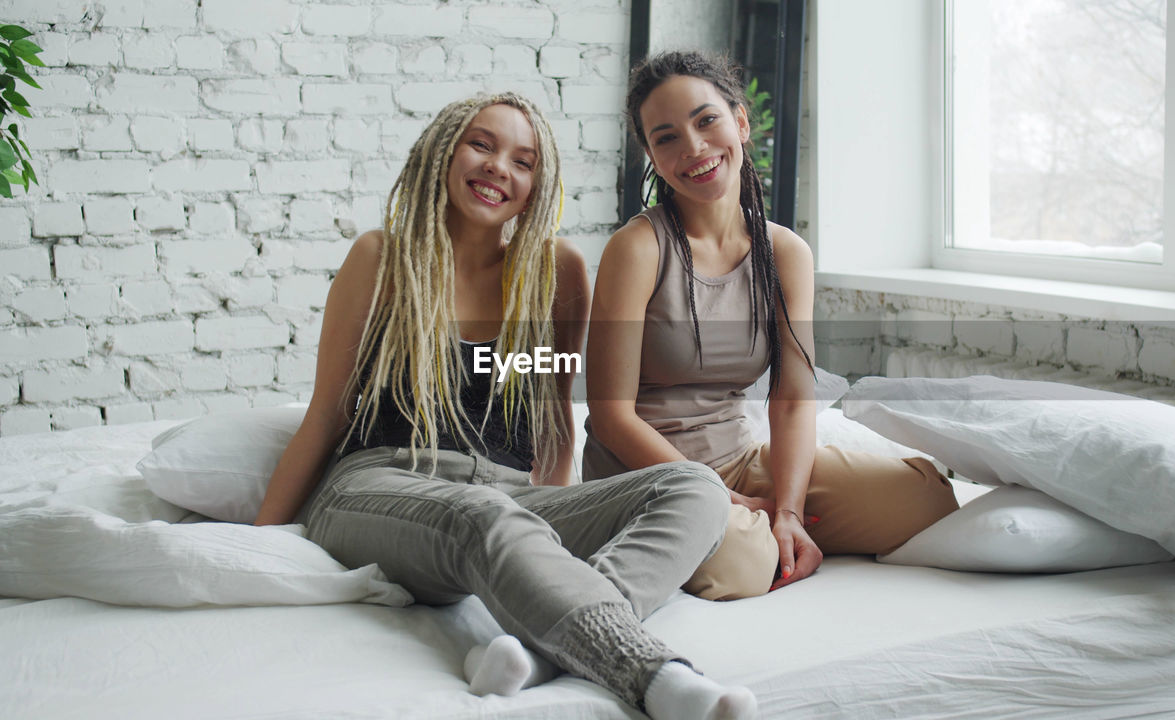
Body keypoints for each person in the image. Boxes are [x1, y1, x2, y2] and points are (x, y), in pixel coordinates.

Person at [253, 91, 756, 720]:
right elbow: (326, 413)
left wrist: (550, 510)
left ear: (537, 186)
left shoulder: (556, 272)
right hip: (376, 486)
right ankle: (655, 677)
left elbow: (554, 419)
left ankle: (537, 646)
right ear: (443, 151)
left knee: (696, 488)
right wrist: (259, 550)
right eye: (482, 145)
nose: (499, 168)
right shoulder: (381, 260)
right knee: (487, 513)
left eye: (523, 161)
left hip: (509, 495)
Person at [584, 51, 959, 600]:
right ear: (652, 157)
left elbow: (790, 398)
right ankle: (731, 538)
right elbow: (612, 417)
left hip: (740, 461)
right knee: (743, 566)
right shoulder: (637, 248)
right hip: (649, 476)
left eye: (706, 120)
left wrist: (787, 508)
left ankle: (768, 532)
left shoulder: (785, 252)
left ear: (740, 120)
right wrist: (723, 499)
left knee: (926, 498)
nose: (693, 147)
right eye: (666, 138)